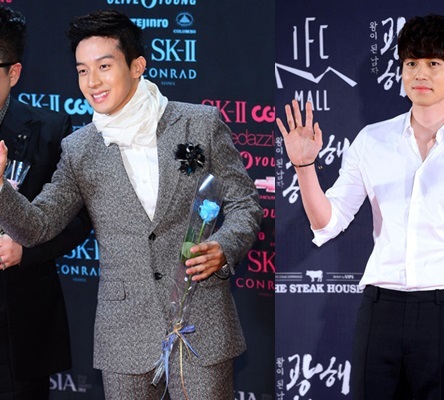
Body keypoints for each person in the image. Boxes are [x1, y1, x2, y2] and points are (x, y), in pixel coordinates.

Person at [0, 9, 262, 400]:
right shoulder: (79, 149)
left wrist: (225, 246)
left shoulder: (199, 123)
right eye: (82, 71)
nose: (92, 82)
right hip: (124, 334)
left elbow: (245, 204)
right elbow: (36, 226)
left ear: (137, 66)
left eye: (104, 66)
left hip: (201, 321)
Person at [277, 14, 444, 400]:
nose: (421, 74)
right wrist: (304, 167)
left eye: (434, 63)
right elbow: (328, 221)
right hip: (380, 309)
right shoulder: (372, 141)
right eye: (411, 63)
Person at [0, 6, 92, 400]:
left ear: (14, 73)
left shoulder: (50, 130)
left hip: (17, 322)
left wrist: (26, 251)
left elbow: (79, 221)